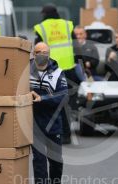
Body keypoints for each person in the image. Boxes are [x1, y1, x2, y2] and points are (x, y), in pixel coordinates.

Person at [30, 42, 68, 184]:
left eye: (45, 52)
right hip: (34, 123)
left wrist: (43, 99)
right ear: (33, 52)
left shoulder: (58, 72)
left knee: (56, 162)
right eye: (38, 52)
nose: (41, 54)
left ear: (49, 53)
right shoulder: (25, 71)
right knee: (38, 161)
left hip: (53, 123)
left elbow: (63, 96)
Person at [34, 4, 78, 144]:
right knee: (63, 101)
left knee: (49, 100)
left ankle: (49, 133)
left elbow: (38, 49)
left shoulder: (42, 27)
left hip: (51, 69)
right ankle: (66, 134)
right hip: (68, 68)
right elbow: (76, 45)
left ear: (45, 14)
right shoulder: (67, 25)